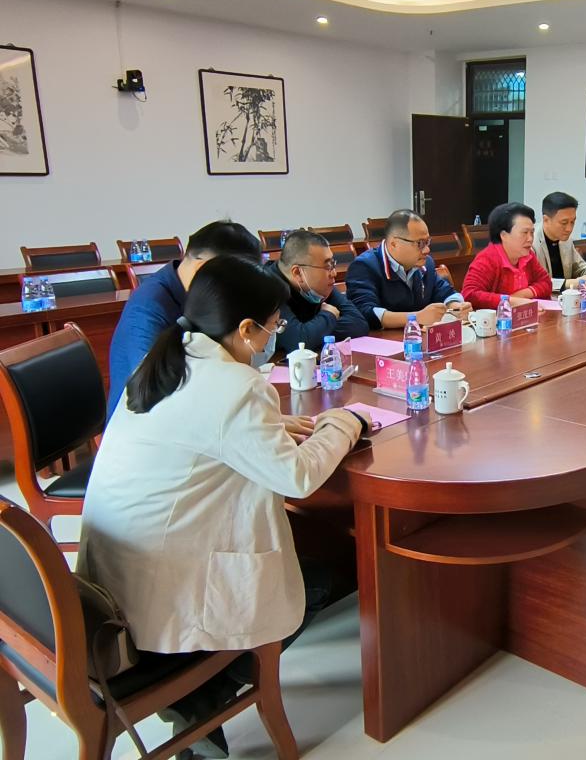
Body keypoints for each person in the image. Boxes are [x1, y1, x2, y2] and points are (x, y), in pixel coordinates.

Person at [80, 256, 371, 757]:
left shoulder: (168, 360)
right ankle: (203, 695)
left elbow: (199, 432)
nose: (276, 335)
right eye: (275, 326)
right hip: (155, 598)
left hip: (109, 581)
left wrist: (270, 427)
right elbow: (297, 478)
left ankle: (198, 697)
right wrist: (345, 423)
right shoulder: (237, 386)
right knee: (317, 581)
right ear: (247, 329)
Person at [106, 220, 261, 421]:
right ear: (202, 269)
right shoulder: (149, 308)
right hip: (147, 423)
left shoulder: (198, 296)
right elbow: (156, 394)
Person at [345, 209, 472, 329]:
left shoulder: (426, 263)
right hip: (382, 341)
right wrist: (417, 317)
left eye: (427, 242)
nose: (427, 249)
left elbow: (445, 292)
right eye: (420, 243)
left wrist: (456, 307)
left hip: (418, 338)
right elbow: (366, 312)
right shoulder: (364, 266)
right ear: (394, 244)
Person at [270, 229, 369, 353]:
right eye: (327, 267)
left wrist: (311, 330)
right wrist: (328, 315)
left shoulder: (321, 287)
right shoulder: (268, 288)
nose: (334, 273)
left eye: (333, 264)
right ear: (298, 273)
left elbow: (359, 324)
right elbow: (298, 342)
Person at [462, 202, 553, 309]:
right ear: (504, 235)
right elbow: (470, 294)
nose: (530, 239)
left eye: (532, 232)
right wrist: (510, 301)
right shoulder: (487, 259)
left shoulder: (528, 256)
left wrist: (523, 295)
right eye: (524, 233)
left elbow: (546, 283)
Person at [531, 191, 586, 289]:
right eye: (564, 223)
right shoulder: (530, 242)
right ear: (546, 219)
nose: (569, 229)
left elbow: (580, 268)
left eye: (572, 222)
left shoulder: (566, 240)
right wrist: (570, 283)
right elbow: (533, 281)